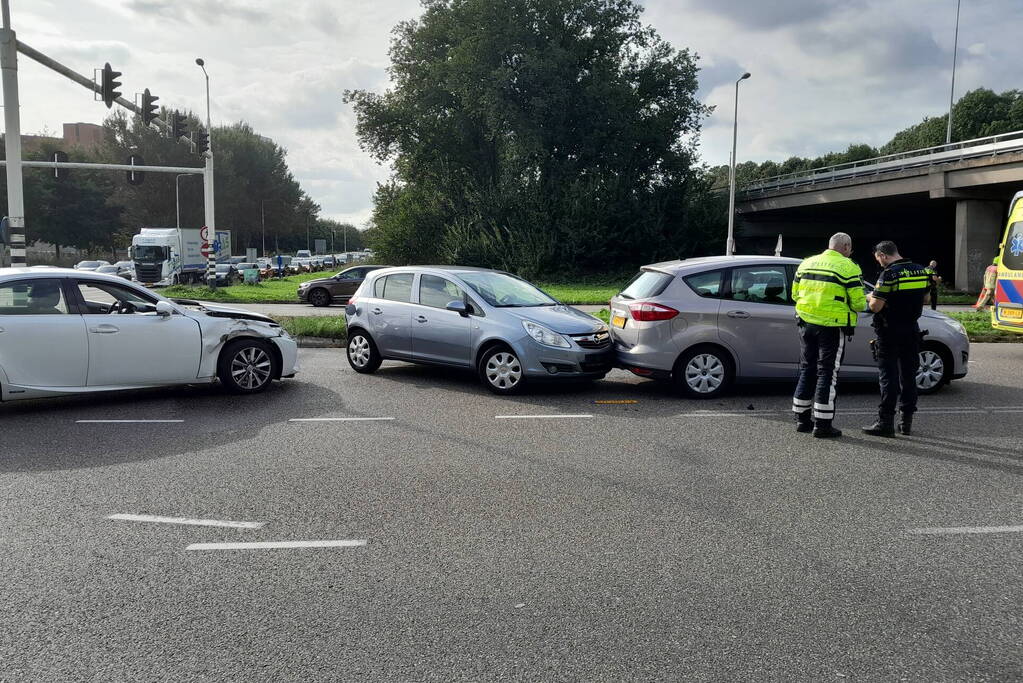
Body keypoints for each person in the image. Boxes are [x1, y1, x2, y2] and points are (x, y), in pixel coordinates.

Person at [791, 232, 866, 438]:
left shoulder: (806, 263)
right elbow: (859, 303)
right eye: (850, 248)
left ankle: (801, 419)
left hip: (806, 323)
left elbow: (795, 294)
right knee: (827, 372)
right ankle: (822, 424)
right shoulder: (849, 267)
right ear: (846, 247)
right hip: (832, 327)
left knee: (807, 368)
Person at [862, 241, 930, 437]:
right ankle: (906, 422)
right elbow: (925, 299)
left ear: (883, 255)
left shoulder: (889, 274)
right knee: (909, 376)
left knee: (889, 376)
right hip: (911, 329)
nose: (879, 263)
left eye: (878, 259)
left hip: (889, 330)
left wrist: (870, 296)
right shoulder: (920, 271)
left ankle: (885, 423)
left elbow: (875, 306)